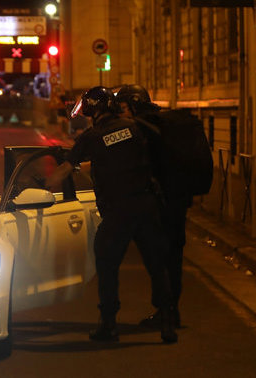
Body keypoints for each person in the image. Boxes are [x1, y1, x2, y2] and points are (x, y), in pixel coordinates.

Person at [45, 86, 177, 343]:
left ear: (93, 110)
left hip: (118, 211)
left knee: (106, 263)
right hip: (146, 205)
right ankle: (167, 323)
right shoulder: (134, 127)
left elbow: (65, 169)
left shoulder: (92, 137)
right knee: (156, 265)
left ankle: (109, 324)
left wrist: (42, 184)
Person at [115, 84, 190, 328]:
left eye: (124, 107)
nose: (122, 113)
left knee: (158, 262)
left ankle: (165, 313)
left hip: (159, 205)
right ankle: (172, 312)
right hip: (178, 201)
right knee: (173, 260)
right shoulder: (164, 123)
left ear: (135, 104)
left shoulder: (140, 129)